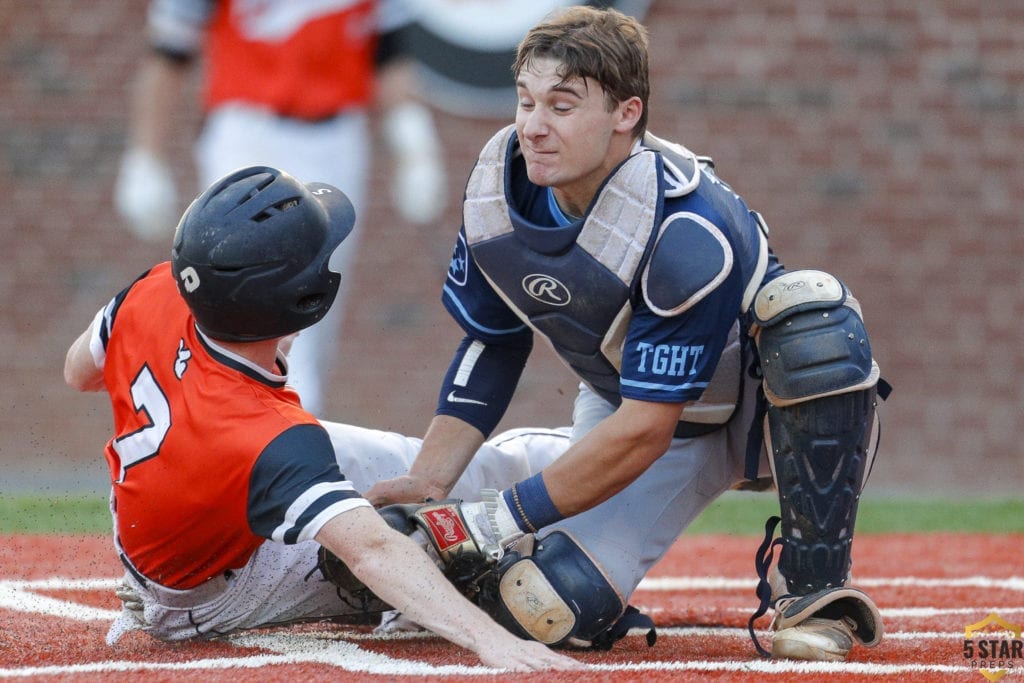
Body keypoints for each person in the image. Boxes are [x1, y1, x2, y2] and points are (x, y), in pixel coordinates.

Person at [365, 5, 890, 662]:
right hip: (634, 408)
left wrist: (496, 517)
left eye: (561, 105)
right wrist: (430, 481)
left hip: (756, 407)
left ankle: (814, 585)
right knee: (546, 603)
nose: (532, 126)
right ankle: (525, 520)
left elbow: (648, 427)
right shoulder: (495, 193)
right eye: (525, 101)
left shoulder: (684, 227)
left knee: (817, 321)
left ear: (626, 114)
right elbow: (492, 344)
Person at [65, 165, 579, 672]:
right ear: (301, 298)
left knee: (422, 474)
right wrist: (488, 641)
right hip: (205, 593)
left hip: (164, 518)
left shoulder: (158, 288)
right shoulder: (270, 434)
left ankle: (590, 456)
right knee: (418, 535)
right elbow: (374, 552)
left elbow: (79, 373)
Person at [113, 0, 447, 416]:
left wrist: (414, 141)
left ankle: (284, 425)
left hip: (338, 135)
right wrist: (145, 156)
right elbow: (168, 52)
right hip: (248, 129)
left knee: (318, 301)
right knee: (258, 291)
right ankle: (271, 429)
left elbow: (391, 53)